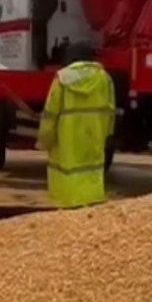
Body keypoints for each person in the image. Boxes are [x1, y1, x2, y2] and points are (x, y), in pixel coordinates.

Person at [36, 42, 115, 208]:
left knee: (69, 173)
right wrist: (106, 135)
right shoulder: (104, 78)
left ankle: (71, 209)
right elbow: (110, 111)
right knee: (91, 170)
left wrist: (45, 139)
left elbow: (50, 114)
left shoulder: (62, 79)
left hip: (67, 139)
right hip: (93, 135)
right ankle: (91, 204)